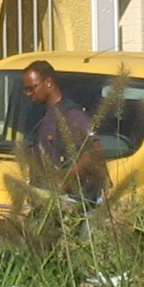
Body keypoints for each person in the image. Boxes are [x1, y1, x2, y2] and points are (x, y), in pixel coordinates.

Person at [20, 61, 107, 203]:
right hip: (46, 201)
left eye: (32, 88)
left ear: (48, 82)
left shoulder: (73, 115)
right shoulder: (40, 115)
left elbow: (95, 151)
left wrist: (66, 179)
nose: (29, 94)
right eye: (26, 90)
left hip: (72, 204)